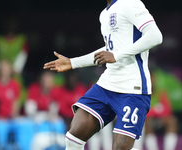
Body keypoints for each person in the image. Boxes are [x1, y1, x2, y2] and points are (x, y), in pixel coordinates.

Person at [43, 0, 163, 149]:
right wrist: (73, 63)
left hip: (133, 89)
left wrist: (116, 55)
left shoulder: (130, 3)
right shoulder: (104, 14)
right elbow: (110, 48)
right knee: (73, 136)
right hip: (107, 85)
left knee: (119, 147)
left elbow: (155, 36)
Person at [144, 71, 178, 150]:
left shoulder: (161, 92)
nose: (152, 81)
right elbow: (143, 112)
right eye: (150, 78)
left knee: (172, 120)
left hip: (160, 119)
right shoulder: (143, 93)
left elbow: (167, 110)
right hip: (148, 120)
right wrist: (155, 110)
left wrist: (154, 111)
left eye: (153, 78)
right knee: (147, 122)